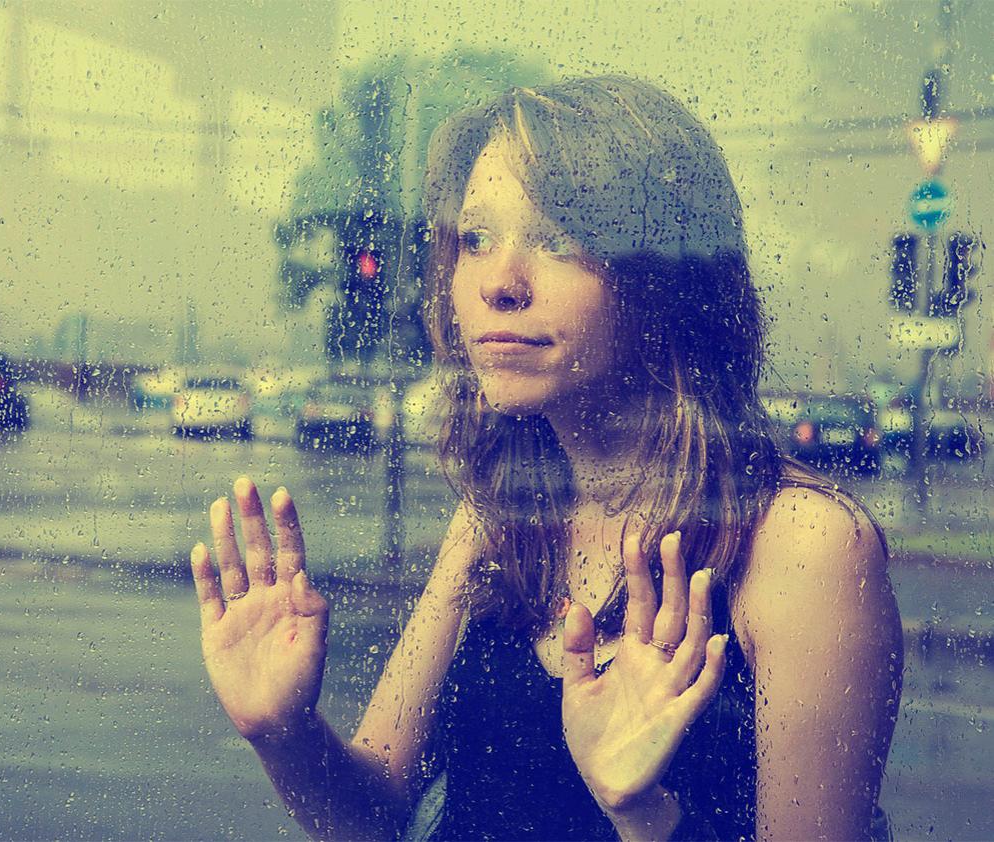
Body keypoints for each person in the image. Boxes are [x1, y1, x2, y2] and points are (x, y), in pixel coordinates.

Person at [189, 76, 904, 841]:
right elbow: (374, 817)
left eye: (559, 238)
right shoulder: (498, 515)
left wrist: (643, 815)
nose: (499, 282)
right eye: (476, 239)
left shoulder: (803, 549)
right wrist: (283, 731)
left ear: (667, 277)